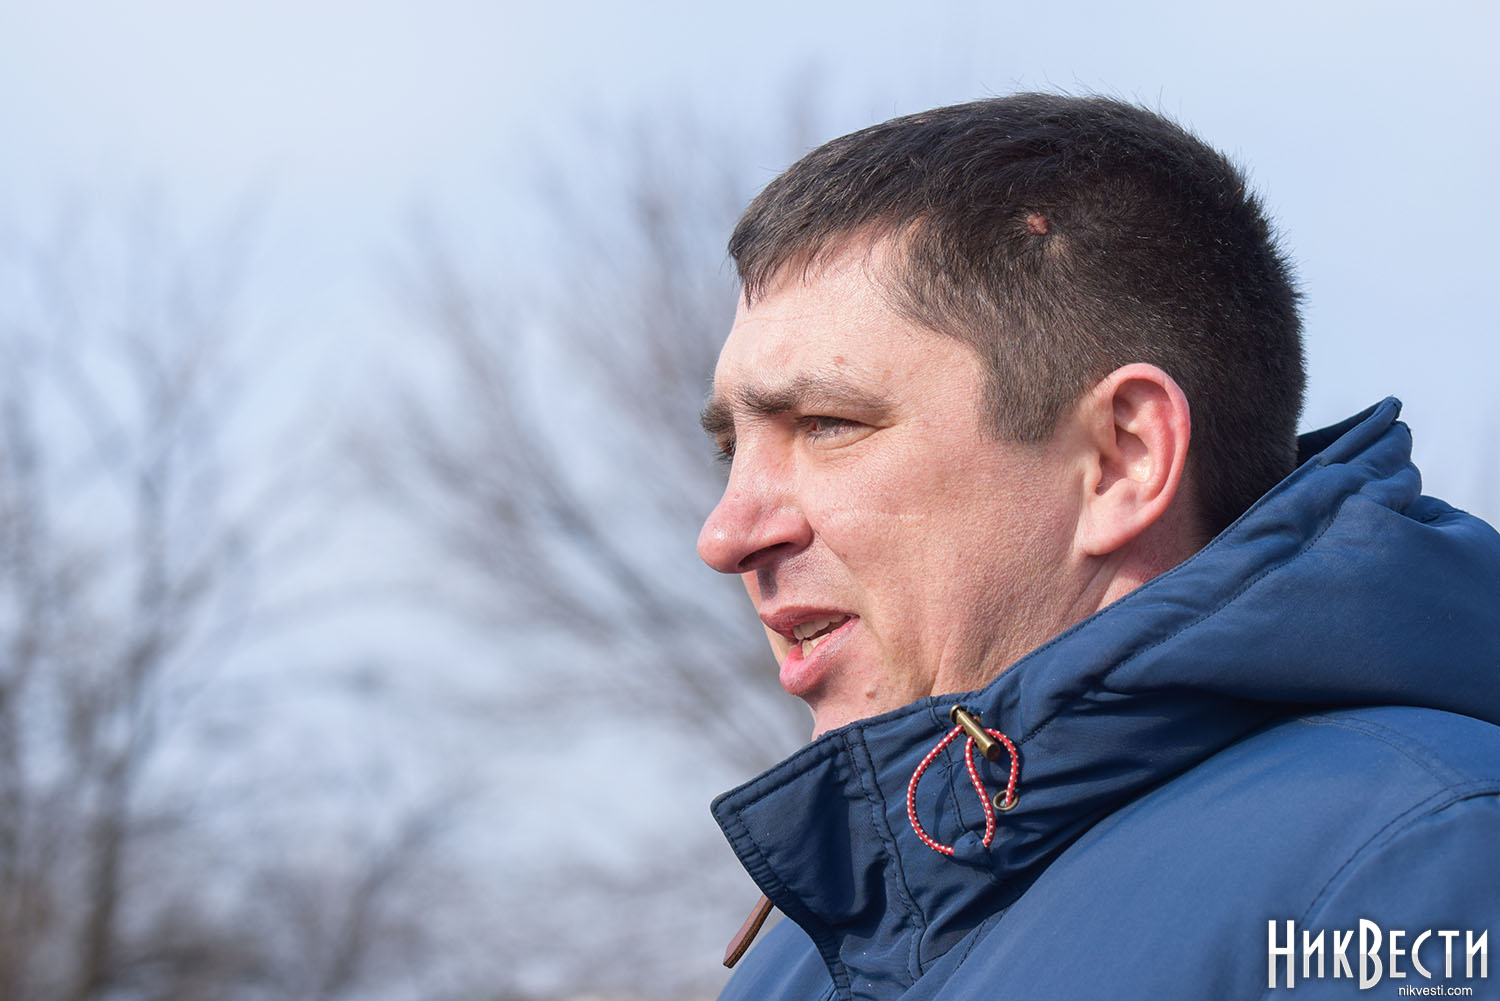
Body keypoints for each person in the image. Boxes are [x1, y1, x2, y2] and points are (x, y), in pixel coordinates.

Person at [695, 94, 1500, 1000]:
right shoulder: (798, 963)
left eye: (827, 423)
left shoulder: (1415, 870)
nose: (725, 535)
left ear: (1123, 458)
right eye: (731, 449)